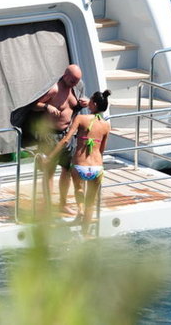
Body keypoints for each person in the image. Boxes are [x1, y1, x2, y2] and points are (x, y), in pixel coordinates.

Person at [45, 89, 111, 236]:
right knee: (90, 203)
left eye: (91, 101)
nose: (88, 103)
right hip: (97, 168)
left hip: (81, 166)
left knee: (79, 190)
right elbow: (102, 150)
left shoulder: (81, 119)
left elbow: (66, 140)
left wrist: (50, 157)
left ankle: (80, 210)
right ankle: (86, 234)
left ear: (94, 104)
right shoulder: (106, 125)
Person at [31, 64, 89, 214]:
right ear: (65, 76)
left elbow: (75, 106)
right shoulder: (54, 89)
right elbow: (33, 105)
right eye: (73, 81)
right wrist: (46, 107)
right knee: (49, 171)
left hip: (68, 135)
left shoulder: (77, 87)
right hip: (50, 135)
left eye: (77, 81)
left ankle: (63, 203)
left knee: (67, 169)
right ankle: (48, 207)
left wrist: (85, 103)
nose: (75, 84)